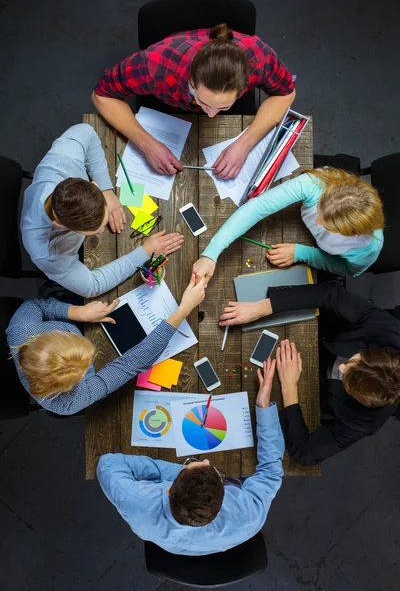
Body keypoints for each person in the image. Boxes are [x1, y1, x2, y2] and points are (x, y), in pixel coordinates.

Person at [97, 358, 284, 555]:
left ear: (169, 488)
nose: (206, 459)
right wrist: (263, 406)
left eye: (194, 463)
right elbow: (271, 471)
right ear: (220, 508)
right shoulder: (248, 517)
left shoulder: (134, 501)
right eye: (212, 470)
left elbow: (108, 464)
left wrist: (167, 471)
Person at [219, 281, 400, 465]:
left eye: (347, 379)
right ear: (371, 351)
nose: (342, 367)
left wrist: (289, 389)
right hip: (322, 334)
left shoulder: (368, 421)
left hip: (316, 389)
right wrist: (262, 307)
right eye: (352, 361)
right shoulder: (390, 331)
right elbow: (330, 293)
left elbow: (304, 454)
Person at [92, 23, 295, 178]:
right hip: (168, 100)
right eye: (203, 102)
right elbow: (101, 95)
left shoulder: (259, 57)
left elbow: (286, 93)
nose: (211, 115)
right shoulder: (157, 64)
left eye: (223, 106)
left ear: (246, 83)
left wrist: (244, 144)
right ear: (191, 78)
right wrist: (146, 144)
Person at [21, 124, 183, 298]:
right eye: (95, 229)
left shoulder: (63, 160)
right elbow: (92, 286)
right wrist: (143, 252)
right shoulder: (49, 255)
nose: (101, 230)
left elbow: (86, 131)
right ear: (59, 223)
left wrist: (106, 190)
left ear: (93, 185)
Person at [6, 275, 206, 416]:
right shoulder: (69, 401)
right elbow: (130, 364)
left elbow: (35, 305)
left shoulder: (22, 329)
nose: (91, 355)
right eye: (86, 368)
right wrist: (183, 310)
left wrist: (76, 313)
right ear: (70, 386)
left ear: (50, 337)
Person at [193, 168, 384, 280]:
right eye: (319, 211)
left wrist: (304, 253)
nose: (316, 222)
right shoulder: (314, 183)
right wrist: (212, 253)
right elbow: (259, 206)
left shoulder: (367, 248)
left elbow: (347, 270)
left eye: (326, 226)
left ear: (352, 233)